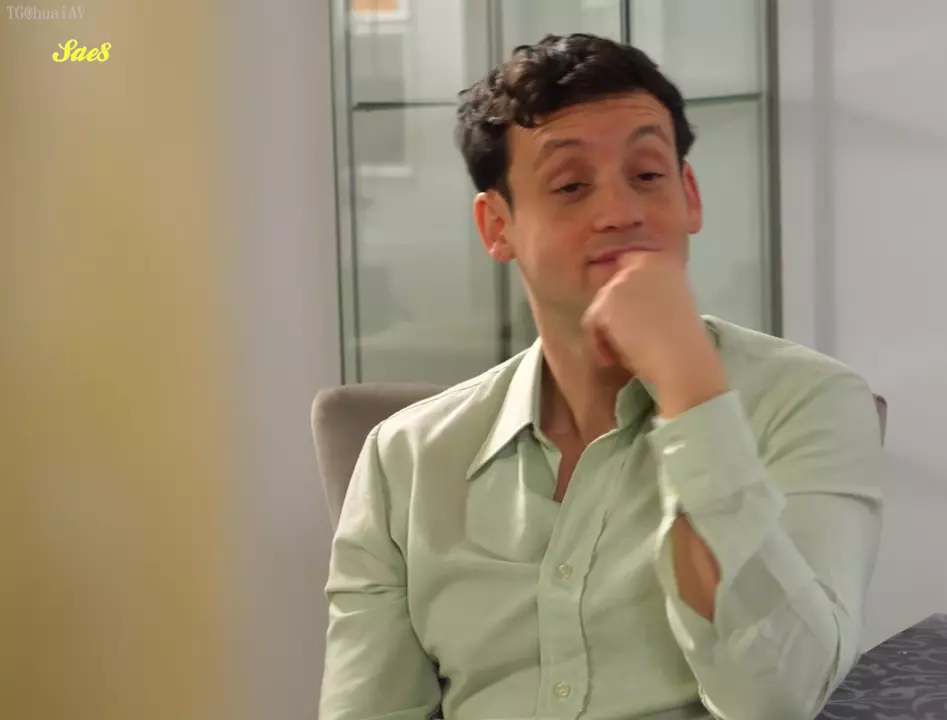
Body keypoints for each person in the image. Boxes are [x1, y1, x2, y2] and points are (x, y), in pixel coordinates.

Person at [319, 33, 885, 720]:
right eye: (571, 185)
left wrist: (689, 392)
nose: (620, 212)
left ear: (689, 195)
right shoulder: (403, 459)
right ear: (497, 227)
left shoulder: (808, 402)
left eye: (647, 175)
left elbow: (779, 696)